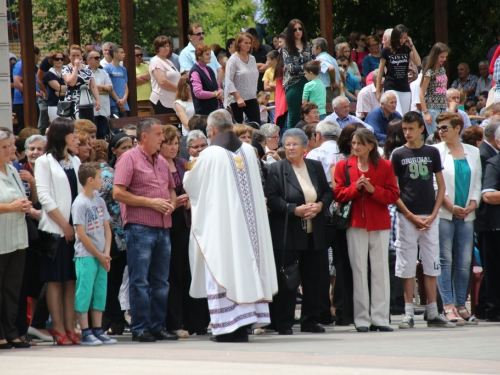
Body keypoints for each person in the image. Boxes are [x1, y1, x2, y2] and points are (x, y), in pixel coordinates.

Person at [184, 109, 278, 342]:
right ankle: (245, 324)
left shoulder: (209, 154)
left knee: (222, 267)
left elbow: (192, 185)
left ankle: (227, 328)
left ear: (212, 130)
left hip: (223, 228)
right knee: (246, 266)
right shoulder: (248, 150)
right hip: (250, 229)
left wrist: (191, 168)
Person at [113, 118, 178, 342]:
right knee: (140, 280)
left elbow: (171, 189)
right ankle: (140, 328)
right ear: (144, 136)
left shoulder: (160, 161)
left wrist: (171, 203)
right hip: (140, 227)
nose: (163, 138)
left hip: (163, 227)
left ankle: (157, 326)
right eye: (159, 134)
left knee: (161, 281)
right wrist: (151, 203)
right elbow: (118, 193)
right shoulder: (128, 158)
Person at [390, 112, 456, 329]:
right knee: (406, 263)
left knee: (431, 263)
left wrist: (435, 213)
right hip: (407, 217)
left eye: (411, 128)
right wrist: (409, 215)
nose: (407, 133)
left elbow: (441, 186)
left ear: (421, 128)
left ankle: (432, 311)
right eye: (404, 129)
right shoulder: (398, 154)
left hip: (430, 216)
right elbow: (394, 190)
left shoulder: (432, 152)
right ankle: (408, 312)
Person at [265, 128, 333, 334]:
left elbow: (328, 192)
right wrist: (294, 210)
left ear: (305, 147)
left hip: (315, 233)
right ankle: (284, 322)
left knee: (314, 279)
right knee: (288, 280)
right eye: (287, 144)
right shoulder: (277, 168)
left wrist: (320, 205)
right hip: (289, 233)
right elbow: (272, 197)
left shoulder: (314, 166)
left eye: (295, 144)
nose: (291, 147)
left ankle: (310, 321)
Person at [333, 128, 399, 332]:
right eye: (353, 143)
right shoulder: (343, 165)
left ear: (371, 145)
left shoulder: (386, 165)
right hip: (354, 223)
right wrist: (356, 188)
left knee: (380, 271)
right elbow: (337, 193)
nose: (355, 147)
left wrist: (372, 190)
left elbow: (393, 194)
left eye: (360, 143)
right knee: (359, 270)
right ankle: (362, 319)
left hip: (379, 223)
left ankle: (380, 318)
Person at [34, 118, 82, 345]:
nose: (76, 137)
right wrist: (64, 224)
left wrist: (77, 226)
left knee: (71, 279)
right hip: (55, 229)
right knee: (54, 279)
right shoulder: (44, 162)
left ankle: (71, 325)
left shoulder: (75, 160)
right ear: (62, 135)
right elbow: (44, 196)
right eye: (73, 133)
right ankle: (58, 326)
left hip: (75, 229)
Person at [159, 125, 208, 337]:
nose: (173, 147)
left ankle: (195, 322)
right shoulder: (157, 165)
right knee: (172, 274)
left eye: (176, 143)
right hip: (167, 221)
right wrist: (175, 202)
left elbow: (195, 187)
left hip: (186, 222)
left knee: (189, 271)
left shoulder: (183, 163)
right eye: (169, 143)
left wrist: (190, 201)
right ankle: (174, 322)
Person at [433, 112, 481, 325]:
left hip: (467, 213)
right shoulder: (436, 151)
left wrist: (472, 204)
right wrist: (450, 206)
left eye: (445, 128)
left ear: (457, 128)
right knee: (446, 259)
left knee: (464, 262)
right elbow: (435, 184)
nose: (440, 132)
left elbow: (477, 182)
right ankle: (448, 305)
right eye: (439, 128)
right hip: (445, 212)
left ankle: (461, 305)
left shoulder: (473, 151)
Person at [72, 163, 117, 345]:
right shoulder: (80, 203)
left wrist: (106, 253)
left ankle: (98, 329)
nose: (102, 181)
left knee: (100, 292)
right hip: (86, 256)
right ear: (90, 180)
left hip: (101, 256)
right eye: (100, 177)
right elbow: (81, 234)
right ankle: (85, 331)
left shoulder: (99, 201)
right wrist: (99, 254)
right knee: (84, 292)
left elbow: (107, 228)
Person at [0, 129, 32, 349]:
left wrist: (25, 204)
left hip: (18, 237)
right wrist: (11, 206)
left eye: (11, 145)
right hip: (1, 238)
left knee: (12, 288)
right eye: (5, 146)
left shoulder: (13, 169)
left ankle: (11, 331)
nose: (11, 149)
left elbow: (23, 196)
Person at [477, 126, 500, 322]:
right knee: (493, 270)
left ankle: (485, 307)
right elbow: (488, 196)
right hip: (493, 225)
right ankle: (491, 310)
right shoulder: (493, 162)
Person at [376, 25, 421, 116]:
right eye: (401, 38)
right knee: (398, 114)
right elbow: (380, 71)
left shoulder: (406, 49)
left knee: (404, 115)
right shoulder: (386, 51)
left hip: (404, 87)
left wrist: (411, 45)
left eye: (405, 38)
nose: (403, 40)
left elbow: (418, 62)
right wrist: (377, 91)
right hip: (391, 86)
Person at [282, 19, 315, 128]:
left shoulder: (309, 46)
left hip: (309, 83)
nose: (298, 31)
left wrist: (307, 67)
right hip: (293, 85)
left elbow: (315, 65)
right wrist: (307, 67)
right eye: (294, 29)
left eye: (300, 29)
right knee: (294, 117)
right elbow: (290, 68)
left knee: (310, 116)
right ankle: (290, 142)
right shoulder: (286, 48)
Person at [224, 32, 260, 124]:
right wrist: (238, 97)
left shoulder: (252, 58)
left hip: (251, 97)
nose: (248, 45)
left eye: (249, 43)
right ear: (239, 44)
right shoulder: (233, 60)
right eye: (245, 43)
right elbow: (228, 81)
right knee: (238, 126)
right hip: (236, 99)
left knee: (256, 125)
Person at [62, 45, 101, 119]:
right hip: (72, 101)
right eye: (73, 55)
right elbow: (71, 83)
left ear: (81, 56)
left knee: (87, 123)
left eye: (77, 55)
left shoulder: (87, 68)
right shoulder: (65, 68)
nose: (75, 58)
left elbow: (93, 86)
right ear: (69, 56)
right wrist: (76, 67)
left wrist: (98, 100)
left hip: (86, 99)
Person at [419, 43, 450, 134]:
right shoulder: (429, 72)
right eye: (442, 57)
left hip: (443, 108)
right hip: (432, 109)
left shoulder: (442, 69)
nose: (444, 59)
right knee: (434, 137)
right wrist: (426, 113)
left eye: (445, 57)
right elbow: (422, 93)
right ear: (435, 56)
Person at [12, 47, 42, 134]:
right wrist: (32, 93)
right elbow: (17, 83)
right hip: (22, 102)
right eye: (39, 56)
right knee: (25, 129)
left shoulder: (30, 65)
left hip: (32, 101)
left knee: (33, 128)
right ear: (35, 55)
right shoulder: (21, 64)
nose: (39, 58)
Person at [86, 49, 115, 139]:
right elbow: (87, 87)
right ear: (89, 59)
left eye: (99, 57)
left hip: (104, 109)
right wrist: (103, 87)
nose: (99, 59)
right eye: (96, 57)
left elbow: (109, 88)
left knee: (102, 133)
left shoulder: (103, 72)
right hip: (91, 109)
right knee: (92, 133)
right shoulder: (85, 72)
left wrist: (94, 88)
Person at [149, 36, 181, 115]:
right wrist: (179, 90)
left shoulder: (168, 61)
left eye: (168, 46)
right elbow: (162, 81)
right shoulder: (156, 61)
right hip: (162, 101)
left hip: (172, 101)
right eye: (163, 46)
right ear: (157, 48)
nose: (167, 48)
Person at [189, 45, 223, 116]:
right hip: (204, 113)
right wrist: (215, 94)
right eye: (207, 54)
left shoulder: (209, 69)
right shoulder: (195, 71)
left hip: (216, 110)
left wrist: (220, 91)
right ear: (199, 56)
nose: (210, 56)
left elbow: (217, 85)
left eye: (210, 54)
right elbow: (198, 93)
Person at [104, 45, 129, 118]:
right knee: (115, 127)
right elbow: (109, 86)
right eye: (121, 52)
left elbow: (126, 86)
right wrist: (118, 101)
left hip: (123, 103)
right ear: (115, 54)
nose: (124, 54)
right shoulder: (107, 68)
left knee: (124, 126)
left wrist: (124, 99)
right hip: (113, 103)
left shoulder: (123, 69)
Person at [312, 38, 340, 104]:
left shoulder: (320, 58)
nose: (312, 50)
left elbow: (331, 68)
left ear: (319, 49)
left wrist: (332, 81)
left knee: (327, 110)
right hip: (333, 89)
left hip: (328, 89)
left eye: (313, 47)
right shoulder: (331, 58)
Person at [44, 51, 67, 123]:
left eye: (62, 59)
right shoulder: (49, 73)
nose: (60, 61)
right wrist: (69, 87)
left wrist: (62, 92)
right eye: (57, 59)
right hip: (54, 105)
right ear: (52, 60)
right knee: (56, 127)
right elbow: (58, 88)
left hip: (67, 104)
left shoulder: (67, 72)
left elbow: (73, 86)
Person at [246, 27, 272, 92]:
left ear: (253, 39)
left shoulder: (267, 49)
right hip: (252, 89)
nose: (247, 44)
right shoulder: (247, 53)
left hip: (266, 88)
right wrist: (260, 65)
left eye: (248, 41)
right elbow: (245, 66)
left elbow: (270, 66)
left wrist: (252, 67)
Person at [135, 45, 152, 112]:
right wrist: (146, 79)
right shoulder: (129, 67)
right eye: (137, 55)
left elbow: (150, 76)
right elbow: (134, 81)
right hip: (137, 100)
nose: (139, 57)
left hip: (149, 99)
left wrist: (138, 76)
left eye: (141, 55)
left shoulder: (147, 66)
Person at [263, 50, 279, 123]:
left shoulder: (282, 70)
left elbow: (284, 86)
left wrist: (272, 85)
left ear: (274, 60)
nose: (267, 62)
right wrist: (278, 87)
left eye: (268, 60)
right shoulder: (268, 71)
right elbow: (266, 87)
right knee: (274, 120)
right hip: (272, 100)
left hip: (282, 99)